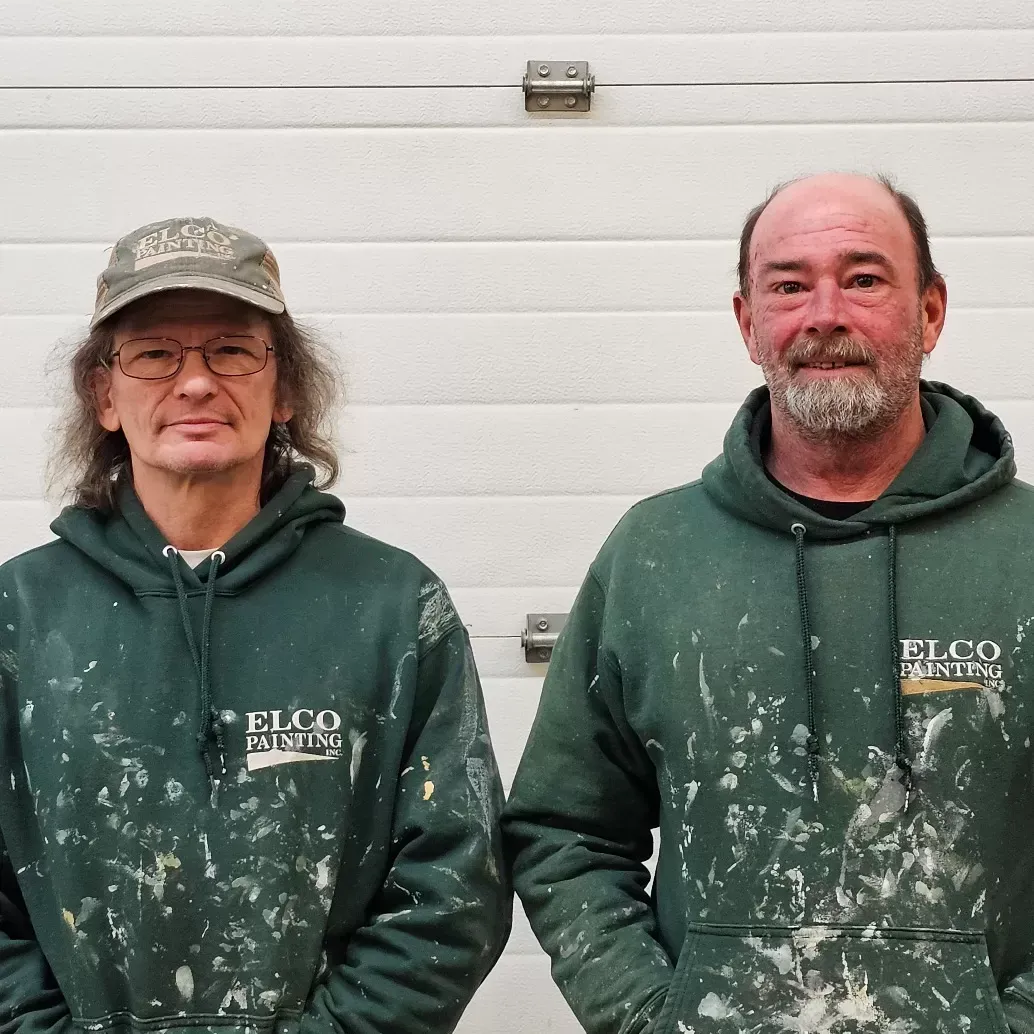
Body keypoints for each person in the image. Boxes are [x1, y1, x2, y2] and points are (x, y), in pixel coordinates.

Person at [503, 173, 1034, 1033]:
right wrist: (649, 1016)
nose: (825, 314)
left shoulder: (1025, 553)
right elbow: (565, 831)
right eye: (789, 285)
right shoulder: (655, 553)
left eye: (863, 278)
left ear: (930, 312)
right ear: (750, 323)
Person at [0, 217, 510, 1034]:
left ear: (287, 389)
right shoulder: (18, 617)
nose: (195, 383)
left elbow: (453, 889)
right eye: (155, 353)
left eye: (232, 351)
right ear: (104, 394)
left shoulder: (392, 605)